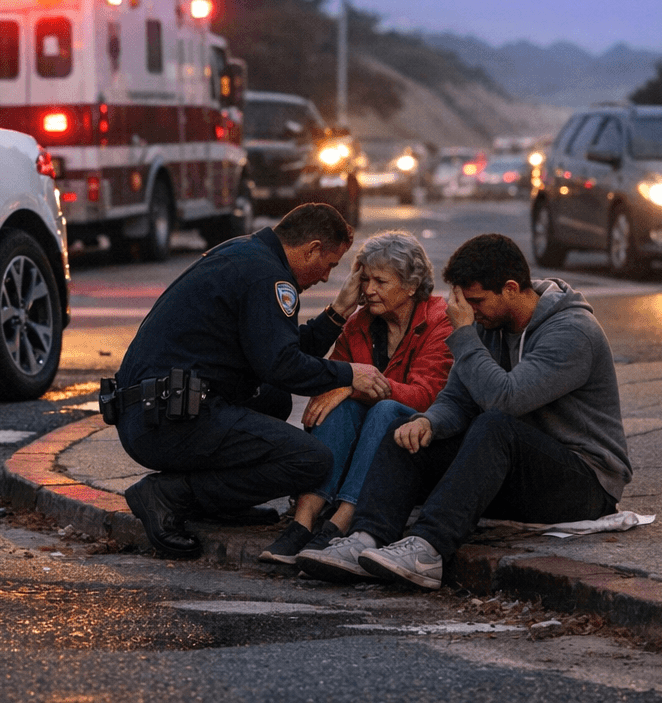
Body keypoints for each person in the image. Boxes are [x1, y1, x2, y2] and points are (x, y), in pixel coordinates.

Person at [298, 233, 631, 589]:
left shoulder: (571, 331)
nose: (469, 312)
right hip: (515, 472)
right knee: (406, 427)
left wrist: (464, 335)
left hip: (584, 482)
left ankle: (427, 550)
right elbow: (456, 398)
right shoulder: (491, 324)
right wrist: (428, 421)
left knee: (493, 424)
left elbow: (506, 400)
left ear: (511, 288)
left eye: (477, 301)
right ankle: (366, 539)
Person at [110, 203, 391, 559]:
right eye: (330, 264)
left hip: (153, 412)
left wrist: (337, 312)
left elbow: (274, 350)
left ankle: (218, 503)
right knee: (312, 461)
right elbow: (284, 365)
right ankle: (169, 495)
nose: (325, 276)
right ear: (312, 248)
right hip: (167, 421)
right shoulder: (269, 277)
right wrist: (351, 373)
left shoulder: (247, 254)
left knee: (274, 399)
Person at [259, 230, 453, 564]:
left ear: (410, 286)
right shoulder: (359, 324)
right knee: (340, 405)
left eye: (381, 281)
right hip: (360, 447)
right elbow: (330, 387)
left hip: (415, 450)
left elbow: (427, 396)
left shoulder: (439, 321)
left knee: (384, 408)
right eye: (365, 280)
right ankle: (303, 524)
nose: (369, 290)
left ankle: (339, 523)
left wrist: (354, 385)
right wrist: (346, 387)